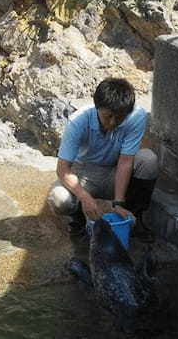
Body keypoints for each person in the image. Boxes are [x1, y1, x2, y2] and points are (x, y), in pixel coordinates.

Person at [47, 77, 159, 242]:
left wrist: (118, 203)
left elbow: (126, 161)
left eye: (120, 117)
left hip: (114, 170)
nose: (113, 122)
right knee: (59, 198)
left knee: (148, 160)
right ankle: (78, 223)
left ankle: (133, 218)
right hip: (84, 172)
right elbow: (63, 169)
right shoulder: (78, 121)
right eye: (108, 116)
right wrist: (85, 198)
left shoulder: (137, 116)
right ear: (97, 107)